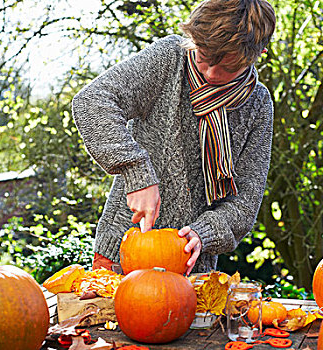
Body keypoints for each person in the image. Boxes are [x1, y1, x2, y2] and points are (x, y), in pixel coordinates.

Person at [72, 0, 276, 275]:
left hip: (193, 267)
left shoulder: (257, 104)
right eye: (203, 57)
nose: (211, 74)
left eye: (228, 68)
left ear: (257, 54)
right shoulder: (170, 59)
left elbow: (245, 201)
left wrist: (203, 234)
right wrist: (136, 173)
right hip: (122, 252)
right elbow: (92, 101)